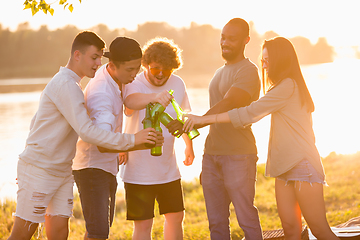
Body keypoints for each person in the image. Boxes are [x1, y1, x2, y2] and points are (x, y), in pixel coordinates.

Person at [7, 31, 162, 240]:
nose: (98, 63)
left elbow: (37, 122)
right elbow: (87, 132)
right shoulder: (65, 85)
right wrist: (135, 140)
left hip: (62, 170)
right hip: (40, 169)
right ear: (77, 55)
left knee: (60, 232)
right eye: (94, 57)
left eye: (100, 57)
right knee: (22, 234)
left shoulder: (76, 86)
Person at [183, 37, 339, 240]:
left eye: (267, 60)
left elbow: (250, 112)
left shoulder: (289, 86)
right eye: (262, 59)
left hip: (303, 166)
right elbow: (250, 114)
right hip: (283, 168)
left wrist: (205, 119)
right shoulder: (280, 87)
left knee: (319, 229)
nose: (263, 65)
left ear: (281, 60)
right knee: (291, 230)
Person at [181, 18, 264, 240]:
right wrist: (187, 126)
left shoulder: (248, 71)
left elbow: (230, 102)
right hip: (212, 155)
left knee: (246, 218)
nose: (225, 42)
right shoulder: (220, 71)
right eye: (223, 37)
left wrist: (199, 120)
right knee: (216, 223)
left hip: (239, 155)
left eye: (232, 39)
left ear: (246, 40)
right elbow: (214, 109)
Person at [121, 37, 195, 240]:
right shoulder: (134, 82)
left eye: (167, 69)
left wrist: (188, 145)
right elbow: (129, 104)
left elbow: (183, 116)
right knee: (144, 224)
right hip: (138, 170)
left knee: (176, 216)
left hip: (167, 169)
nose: (161, 74)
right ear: (145, 65)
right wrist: (155, 97)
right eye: (155, 69)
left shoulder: (178, 83)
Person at [72, 36, 146, 240]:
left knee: (99, 230)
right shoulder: (101, 93)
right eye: (130, 70)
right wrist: (138, 141)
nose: (134, 75)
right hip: (92, 168)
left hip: (105, 166)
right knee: (98, 232)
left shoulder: (117, 78)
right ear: (112, 65)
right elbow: (103, 144)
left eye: (137, 69)